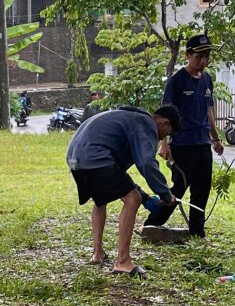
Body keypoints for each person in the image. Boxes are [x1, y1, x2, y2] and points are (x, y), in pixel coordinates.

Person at [66, 103, 180, 274]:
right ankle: (123, 261)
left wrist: (146, 196)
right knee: (133, 199)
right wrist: (166, 193)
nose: (163, 139)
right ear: (164, 123)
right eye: (167, 135)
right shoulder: (145, 123)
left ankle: (97, 254)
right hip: (95, 157)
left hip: (75, 157)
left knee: (100, 199)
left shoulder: (126, 117)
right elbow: (146, 164)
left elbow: (117, 175)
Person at [162, 33, 225, 236]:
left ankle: (197, 232)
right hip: (181, 145)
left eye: (207, 56)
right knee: (179, 188)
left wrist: (215, 139)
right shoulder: (176, 82)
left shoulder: (207, 79)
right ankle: (152, 223)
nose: (204, 61)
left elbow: (209, 112)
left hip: (202, 144)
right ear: (188, 55)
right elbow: (164, 116)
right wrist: (164, 144)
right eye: (199, 57)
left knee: (202, 190)